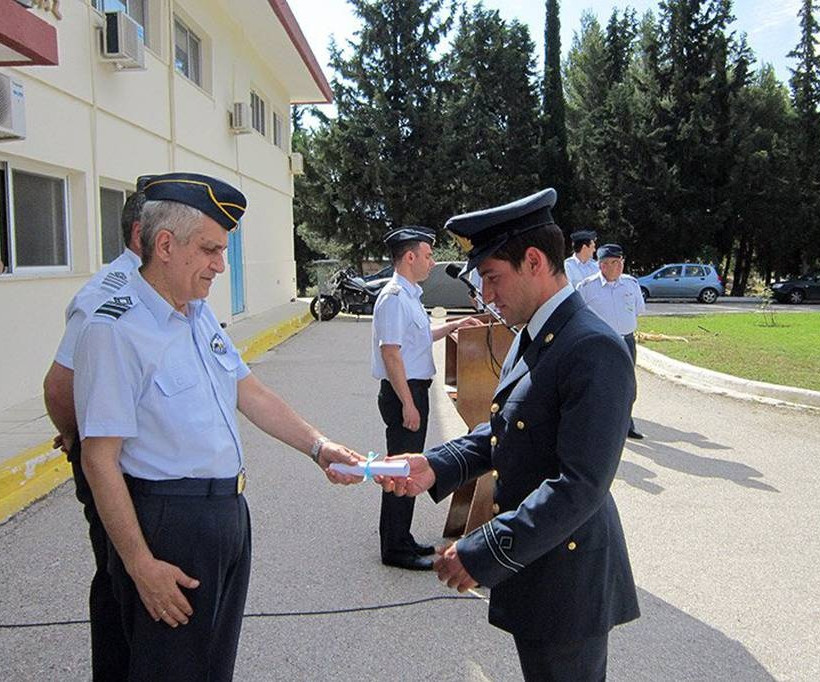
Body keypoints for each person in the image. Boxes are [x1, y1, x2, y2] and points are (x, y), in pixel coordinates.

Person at [72, 172, 363, 680]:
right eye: (210, 250)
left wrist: (318, 447)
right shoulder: (114, 329)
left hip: (227, 516)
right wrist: (141, 564)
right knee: (165, 668)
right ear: (165, 245)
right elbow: (99, 458)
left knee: (210, 668)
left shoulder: (197, 313)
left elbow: (248, 392)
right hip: (168, 526)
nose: (220, 265)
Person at [378, 188, 639, 680]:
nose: (488, 295)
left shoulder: (592, 348)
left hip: (569, 576)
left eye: (493, 279)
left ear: (535, 261)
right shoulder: (534, 333)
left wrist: (483, 549)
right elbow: (503, 430)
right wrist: (435, 464)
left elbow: (581, 484)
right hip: (537, 559)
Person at [43, 178, 151, 679]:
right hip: (111, 465)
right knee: (120, 578)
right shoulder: (109, 294)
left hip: (136, 465)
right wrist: (75, 437)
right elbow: (59, 384)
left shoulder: (151, 286)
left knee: (126, 578)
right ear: (140, 235)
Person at [372, 226, 479, 571]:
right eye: (429, 255)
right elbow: (391, 353)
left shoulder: (410, 295)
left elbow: (416, 339)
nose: (432, 262)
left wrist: (451, 327)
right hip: (405, 391)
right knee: (400, 468)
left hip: (414, 390)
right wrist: (407, 403)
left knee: (406, 466)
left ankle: (401, 538)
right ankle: (394, 549)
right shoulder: (393, 297)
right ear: (410, 257)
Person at [576, 243, 646, 439]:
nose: (619, 266)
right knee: (599, 384)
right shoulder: (587, 287)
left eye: (620, 262)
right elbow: (577, 315)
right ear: (602, 265)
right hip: (601, 343)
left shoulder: (631, 284)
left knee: (628, 384)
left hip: (626, 341)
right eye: (613, 262)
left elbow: (638, 310)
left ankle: (626, 424)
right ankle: (598, 424)